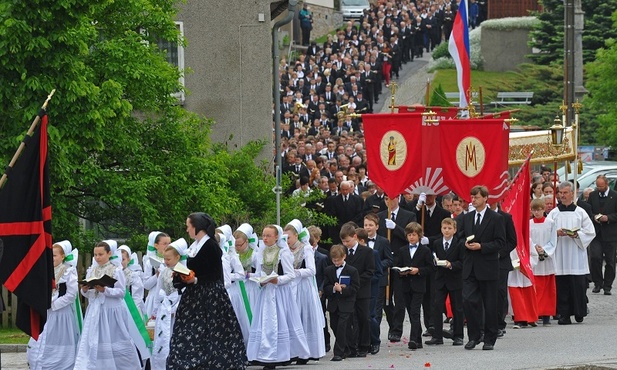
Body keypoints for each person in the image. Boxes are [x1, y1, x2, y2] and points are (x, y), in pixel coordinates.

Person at [167, 213, 246, 369]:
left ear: (196, 227)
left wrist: (195, 279)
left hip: (210, 296)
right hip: (194, 296)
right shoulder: (194, 246)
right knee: (189, 332)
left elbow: (215, 274)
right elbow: (193, 269)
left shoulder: (210, 245)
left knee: (211, 332)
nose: (187, 229)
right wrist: (180, 275)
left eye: (188, 226)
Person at [247, 224, 309, 369]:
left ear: (277, 237)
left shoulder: (283, 252)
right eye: (264, 235)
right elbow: (258, 273)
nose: (265, 238)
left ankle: (279, 356)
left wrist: (277, 280)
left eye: (269, 235)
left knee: (279, 322)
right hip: (265, 292)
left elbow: (290, 275)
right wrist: (259, 281)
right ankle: (264, 355)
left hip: (279, 293)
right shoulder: (260, 252)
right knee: (265, 323)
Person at [74, 241, 142, 369]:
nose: (97, 257)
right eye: (95, 254)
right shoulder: (91, 271)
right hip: (95, 311)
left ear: (109, 253)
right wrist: (85, 289)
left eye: (101, 254)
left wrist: (105, 290)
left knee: (114, 339)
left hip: (111, 311)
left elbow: (121, 292)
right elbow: (90, 296)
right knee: (94, 339)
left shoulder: (116, 270)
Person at [456, 185, 506, 351]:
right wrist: (465, 244)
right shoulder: (467, 217)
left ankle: (489, 338)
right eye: (472, 197)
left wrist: (482, 246)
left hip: (487, 266)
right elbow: (460, 237)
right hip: (470, 266)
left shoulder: (496, 218)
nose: (473, 200)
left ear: (485, 198)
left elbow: (500, 242)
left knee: (490, 304)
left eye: (476, 197)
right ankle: (474, 336)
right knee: (468, 300)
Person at [546, 182, 596, 324]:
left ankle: (579, 311)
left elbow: (590, 231)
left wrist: (577, 235)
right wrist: (555, 233)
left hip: (576, 255)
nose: (562, 195)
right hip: (560, 254)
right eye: (560, 193)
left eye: (565, 193)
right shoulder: (554, 214)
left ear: (572, 193)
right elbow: (546, 231)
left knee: (577, 285)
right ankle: (564, 314)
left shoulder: (580, 212)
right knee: (562, 286)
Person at [27, 240, 80, 370]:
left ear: (63, 256)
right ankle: (40, 363)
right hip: (46, 313)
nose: (52, 258)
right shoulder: (47, 271)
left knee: (58, 339)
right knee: (41, 338)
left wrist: (53, 304)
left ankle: (60, 365)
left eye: (55, 255)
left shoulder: (69, 272)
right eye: (50, 255)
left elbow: (71, 295)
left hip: (61, 314)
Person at [284, 219, 326, 362]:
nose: (286, 240)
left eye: (288, 237)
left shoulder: (305, 248)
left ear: (296, 235)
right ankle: (293, 351)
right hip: (290, 287)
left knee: (304, 317)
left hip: (303, 288)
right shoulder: (285, 249)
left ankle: (306, 352)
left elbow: (311, 270)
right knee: (292, 319)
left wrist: (296, 272)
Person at [393, 222, 433, 350]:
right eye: (409, 235)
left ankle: (413, 339)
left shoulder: (425, 250)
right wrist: (401, 272)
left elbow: (430, 268)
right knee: (410, 313)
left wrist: (419, 270)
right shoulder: (402, 250)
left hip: (418, 286)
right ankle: (419, 339)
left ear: (419, 236)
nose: (411, 237)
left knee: (415, 312)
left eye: (414, 235)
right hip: (406, 285)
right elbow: (397, 265)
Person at [425, 218, 464, 346]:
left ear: (455, 230)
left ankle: (458, 335)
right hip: (440, 279)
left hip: (455, 279)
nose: (447, 231)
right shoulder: (437, 243)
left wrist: (451, 264)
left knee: (457, 307)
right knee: (437, 307)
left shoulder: (459, 243)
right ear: (441, 229)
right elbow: (434, 258)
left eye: (449, 228)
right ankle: (437, 335)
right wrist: (436, 262)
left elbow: (462, 262)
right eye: (444, 228)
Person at [150, 238, 187, 370]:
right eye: (164, 259)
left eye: (169, 259)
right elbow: (159, 290)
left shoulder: (184, 271)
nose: (166, 262)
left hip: (177, 308)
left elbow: (185, 292)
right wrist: (155, 310)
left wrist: (176, 308)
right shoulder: (164, 271)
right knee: (163, 336)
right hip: (164, 307)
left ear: (178, 257)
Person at [339, 223, 375, 357]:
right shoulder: (342, 251)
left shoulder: (367, 251)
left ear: (355, 237)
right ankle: (350, 346)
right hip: (347, 291)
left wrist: (356, 281)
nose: (345, 243)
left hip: (362, 291)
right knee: (348, 319)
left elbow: (370, 271)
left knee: (363, 318)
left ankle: (364, 345)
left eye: (347, 241)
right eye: (343, 241)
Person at [323, 244, 360, 362]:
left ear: (344, 257)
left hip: (347, 303)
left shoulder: (352, 270)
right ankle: (350, 347)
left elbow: (355, 288)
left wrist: (343, 289)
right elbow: (326, 286)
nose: (336, 262)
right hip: (334, 303)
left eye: (338, 260)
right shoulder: (329, 270)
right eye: (334, 260)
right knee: (334, 325)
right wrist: (333, 289)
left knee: (342, 327)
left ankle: (338, 352)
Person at [363, 213, 393, 354]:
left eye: (370, 225)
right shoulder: (360, 241)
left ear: (377, 226)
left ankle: (375, 340)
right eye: (366, 225)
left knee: (375, 312)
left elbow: (389, 259)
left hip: (378, 281)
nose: (368, 227)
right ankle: (365, 339)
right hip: (363, 282)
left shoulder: (383, 241)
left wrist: (376, 264)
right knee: (364, 312)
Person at [587, 175, 617, 295]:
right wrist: (594, 217)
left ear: (607, 184)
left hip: (611, 234)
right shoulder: (592, 195)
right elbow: (588, 211)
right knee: (595, 258)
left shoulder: (615, 196)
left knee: (610, 261)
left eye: (601, 186)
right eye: (597, 186)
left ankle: (607, 286)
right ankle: (597, 283)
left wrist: (608, 218)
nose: (599, 188)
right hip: (596, 233)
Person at [529, 198, 557, 325]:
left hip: (547, 259)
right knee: (536, 288)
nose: (537, 212)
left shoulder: (550, 223)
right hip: (534, 258)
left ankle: (547, 314)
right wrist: (534, 247)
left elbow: (553, 240)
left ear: (544, 209)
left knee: (548, 288)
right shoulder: (529, 224)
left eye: (539, 210)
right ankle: (536, 312)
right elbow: (528, 239)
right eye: (534, 210)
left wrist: (544, 250)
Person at [143, 231, 171, 318]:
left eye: (169, 243)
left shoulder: (173, 261)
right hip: (154, 298)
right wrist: (157, 275)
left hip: (169, 298)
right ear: (156, 245)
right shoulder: (150, 262)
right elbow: (146, 285)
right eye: (164, 243)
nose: (168, 246)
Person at [118, 244, 146, 317]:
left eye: (123, 259)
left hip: (131, 308)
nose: (121, 262)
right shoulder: (114, 274)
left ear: (128, 260)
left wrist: (133, 311)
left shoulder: (133, 276)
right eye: (119, 259)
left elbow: (137, 296)